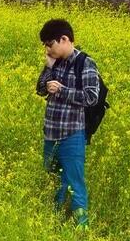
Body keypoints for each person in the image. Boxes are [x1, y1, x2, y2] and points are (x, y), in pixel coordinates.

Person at [37, 18, 101, 229]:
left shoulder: (85, 63)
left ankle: (82, 227)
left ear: (64, 39)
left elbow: (92, 97)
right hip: (51, 132)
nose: (47, 49)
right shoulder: (54, 62)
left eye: (50, 44)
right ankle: (53, 222)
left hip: (72, 133)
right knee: (53, 181)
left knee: (75, 182)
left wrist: (62, 90)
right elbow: (40, 89)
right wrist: (48, 69)